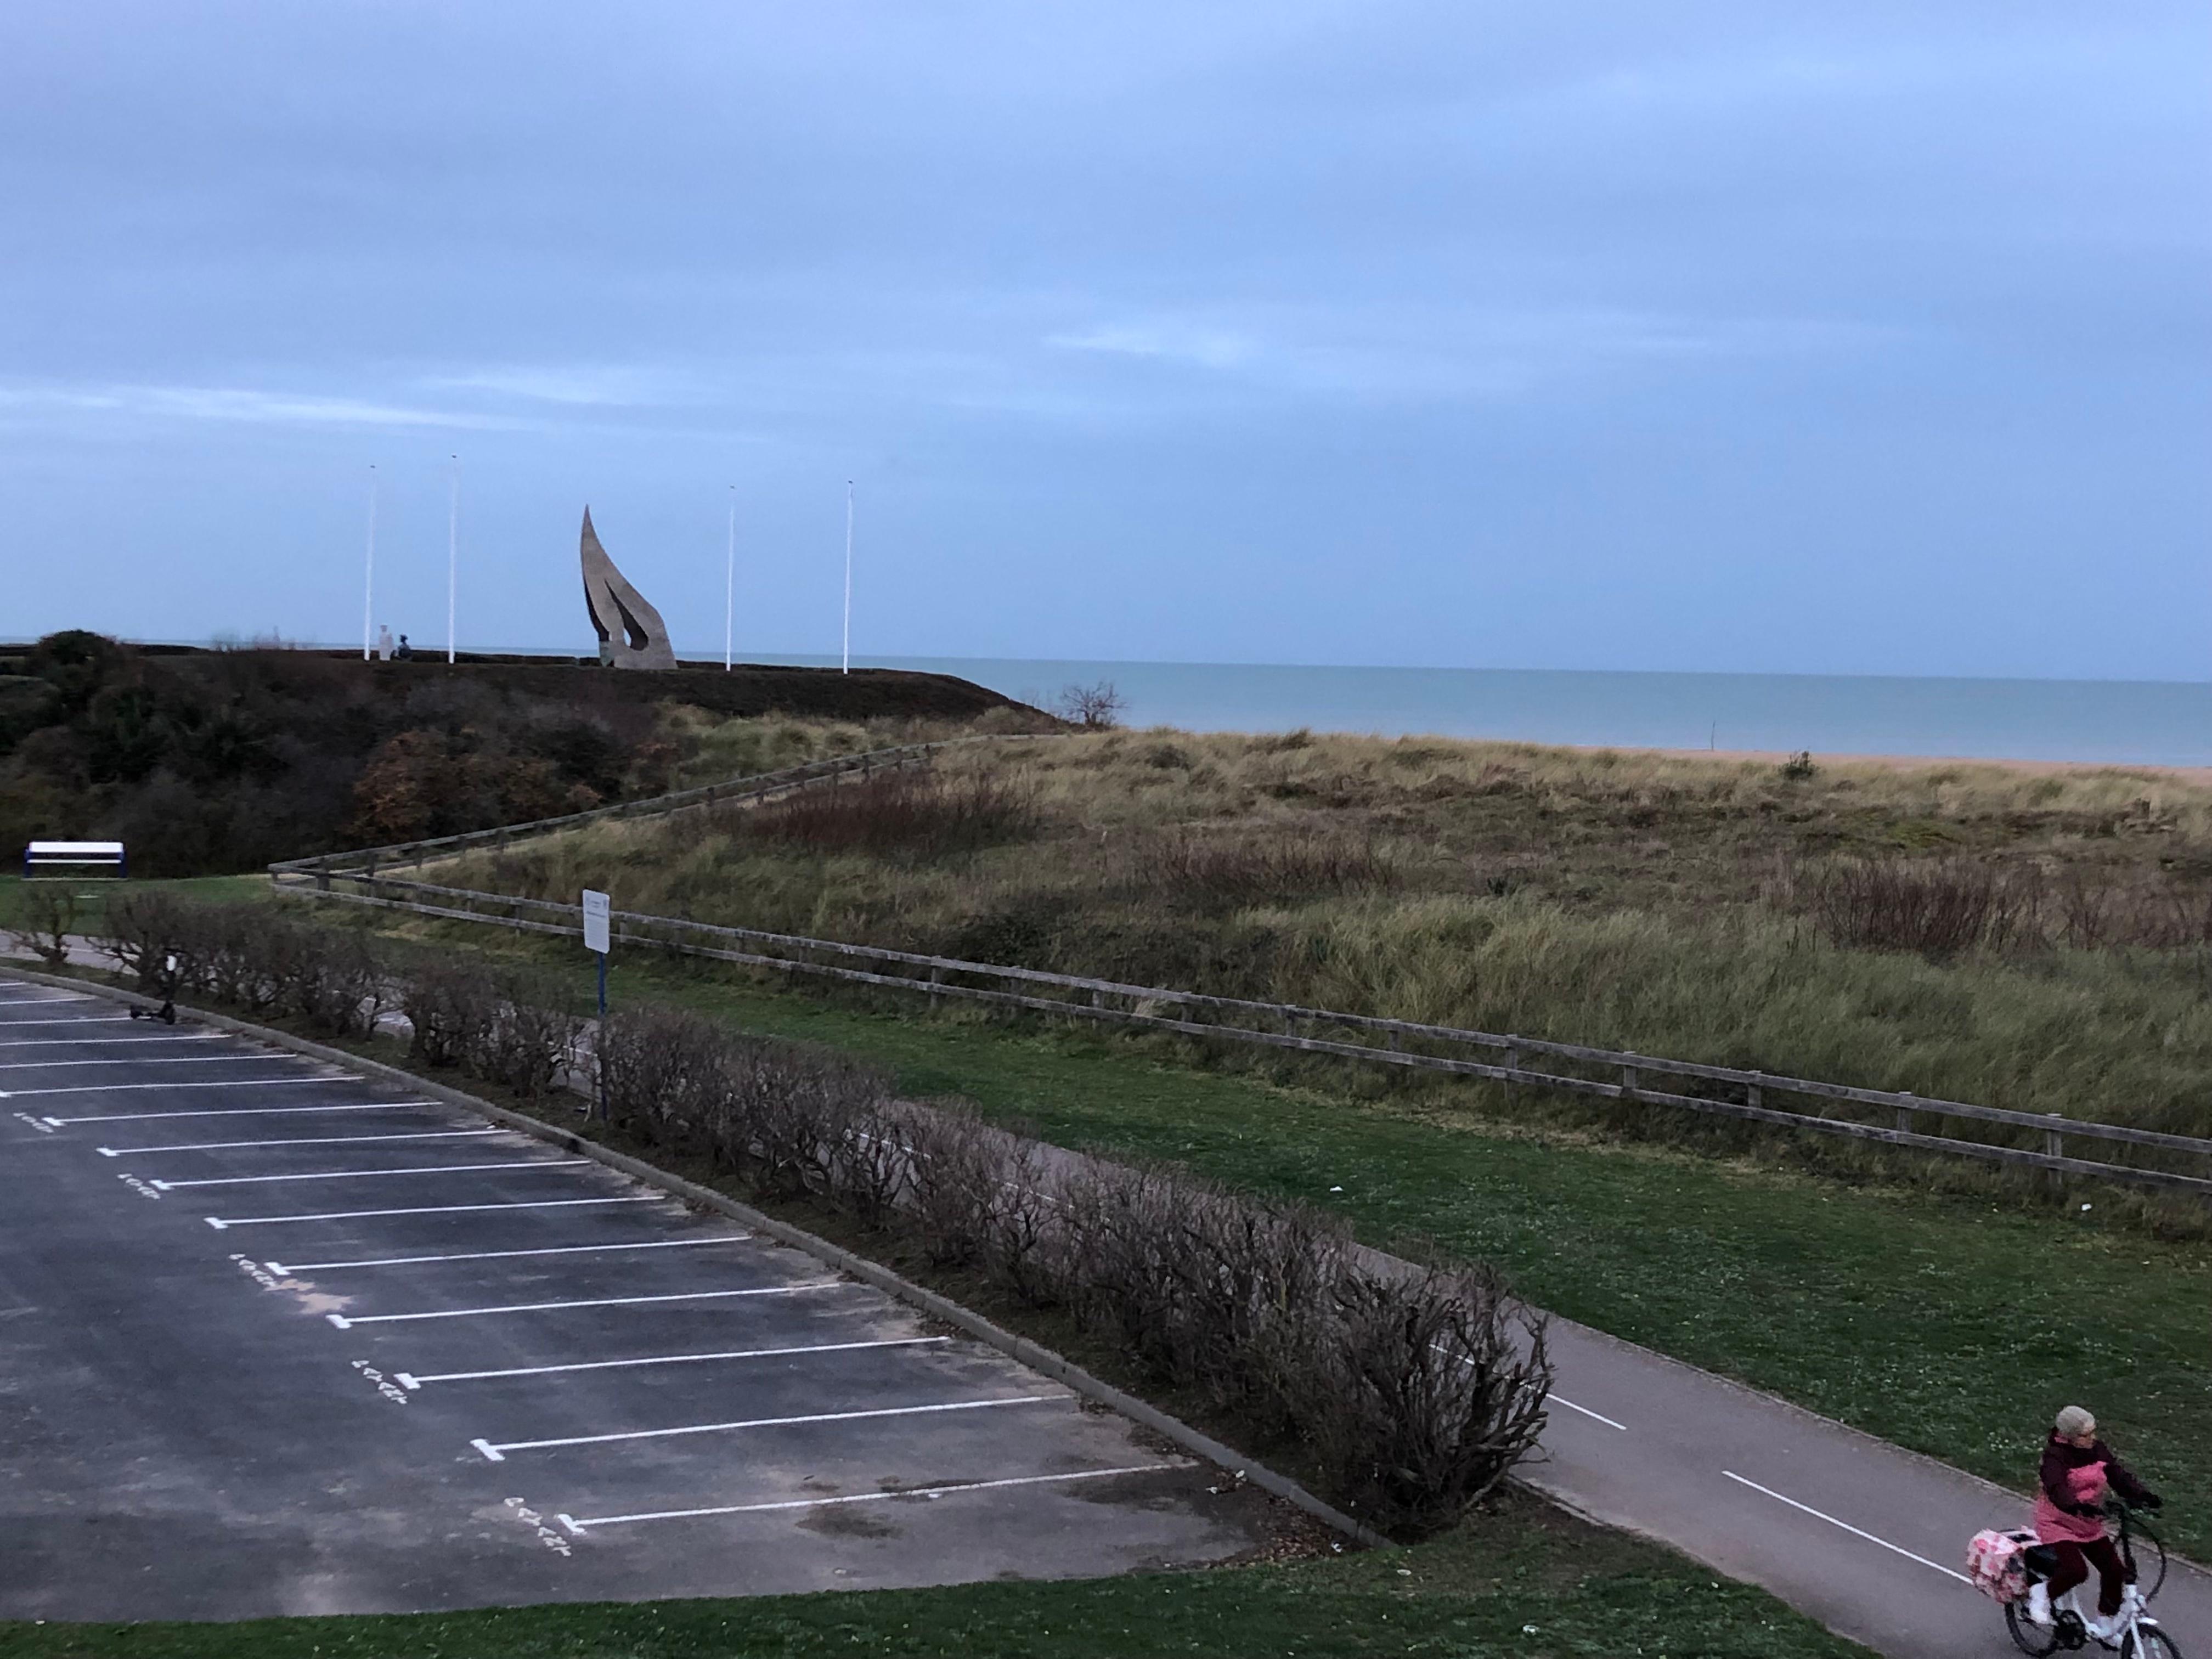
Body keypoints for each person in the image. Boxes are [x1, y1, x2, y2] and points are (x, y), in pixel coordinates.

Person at [2027, 1406, 2162, 1635]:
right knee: (2076, 1571)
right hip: (2059, 1521)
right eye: (2085, 1435)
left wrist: (2141, 1495)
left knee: (2115, 1571)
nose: (2092, 1438)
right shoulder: (2055, 1457)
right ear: (2069, 1437)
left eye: (2093, 1432)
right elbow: (2056, 1488)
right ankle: (2042, 1594)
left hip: (2088, 1521)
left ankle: (2106, 1622)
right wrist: (2074, 1506)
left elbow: (2117, 1475)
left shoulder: (2097, 1450)